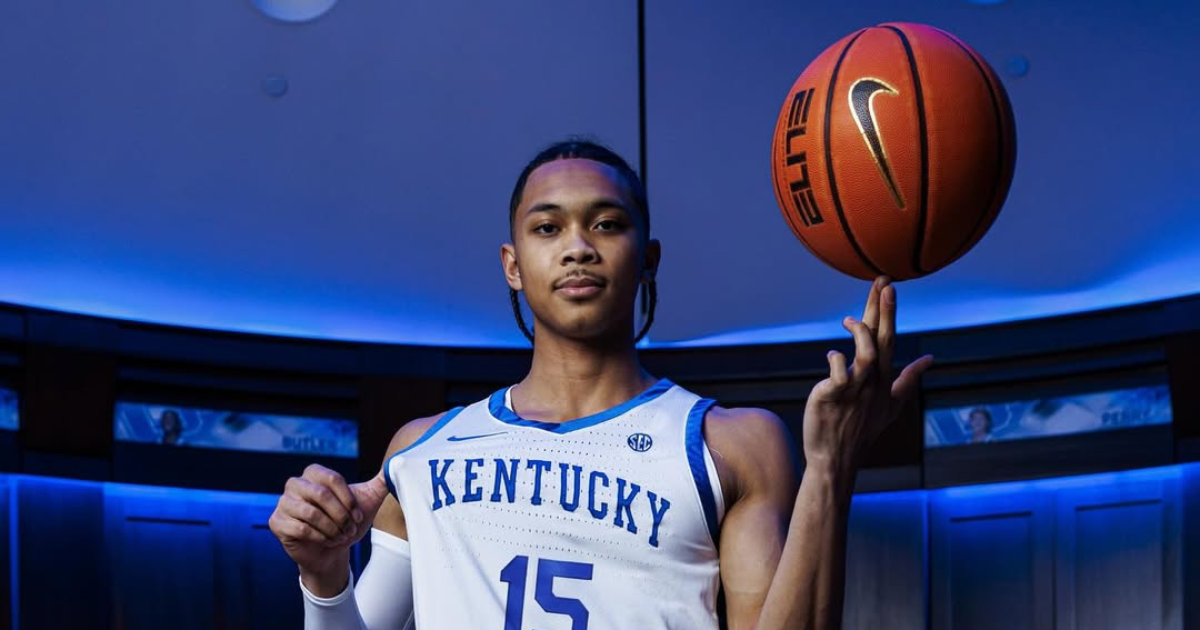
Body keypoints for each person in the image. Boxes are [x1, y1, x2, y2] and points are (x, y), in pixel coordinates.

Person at [269, 139, 933, 629]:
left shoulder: (732, 444)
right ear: (513, 265)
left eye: (607, 224)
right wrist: (323, 574)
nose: (578, 246)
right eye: (548, 227)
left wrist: (830, 470)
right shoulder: (419, 451)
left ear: (648, 259)